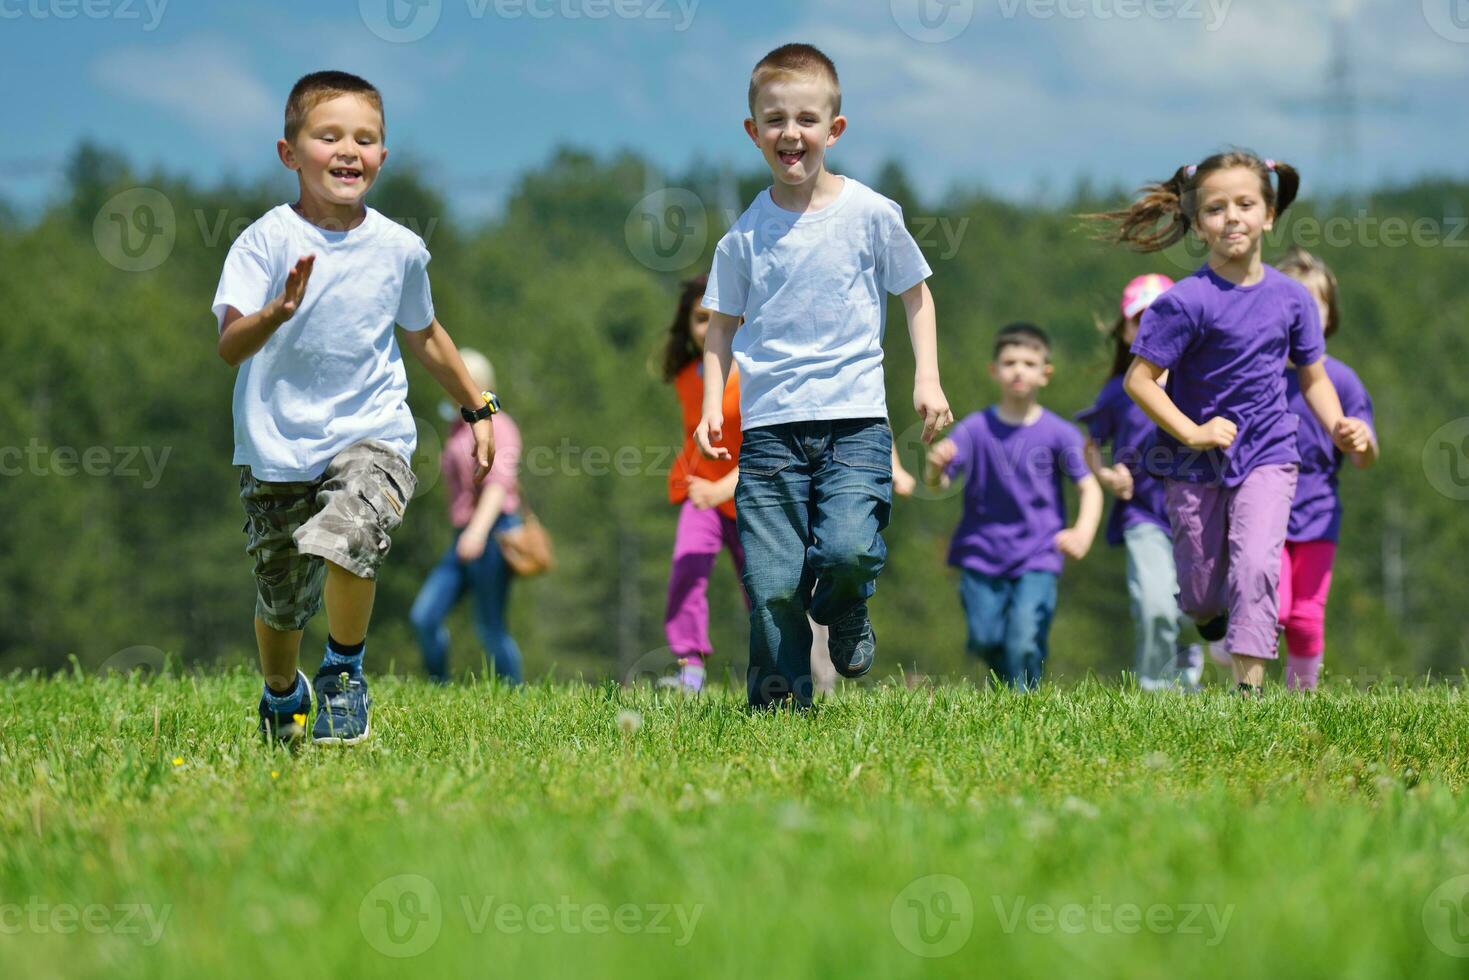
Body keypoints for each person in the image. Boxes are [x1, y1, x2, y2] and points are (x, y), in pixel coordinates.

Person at [214, 71, 498, 744]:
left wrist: (478, 408)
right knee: (282, 602)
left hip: (372, 434)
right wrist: (276, 312)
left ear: (382, 156)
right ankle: (283, 693)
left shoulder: (398, 248)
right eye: (329, 135)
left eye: (365, 139)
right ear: (290, 153)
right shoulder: (264, 242)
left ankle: (343, 672)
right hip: (277, 447)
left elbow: (424, 335)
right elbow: (229, 344)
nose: (349, 150)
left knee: (350, 538)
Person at [695, 43, 952, 708]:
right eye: (774, 119)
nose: (790, 133)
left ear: (833, 129)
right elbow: (719, 325)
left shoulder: (870, 214)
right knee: (773, 585)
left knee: (846, 552)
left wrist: (927, 380)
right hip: (771, 435)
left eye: (806, 119)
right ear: (752, 132)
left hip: (855, 426)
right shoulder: (744, 237)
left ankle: (846, 607)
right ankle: (779, 710)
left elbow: (916, 293)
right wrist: (709, 410)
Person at [1095, 150, 1372, 695]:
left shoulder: (1291, 299)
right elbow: (1139, 381)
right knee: (1200, 590)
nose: (1233, 217)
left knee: (1256, 567)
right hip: (1191, 462)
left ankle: (1249, 692)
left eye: (1245, 204)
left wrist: (1339, 424)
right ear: (1198, 225)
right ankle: (1206, 617)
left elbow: (1314, 378)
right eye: (1217, 208)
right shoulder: (1184, 302)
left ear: (1269, 214)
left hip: (1269, 452)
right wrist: (1193, 432)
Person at [660, 276, 915, 695]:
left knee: (772, 588)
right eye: (698, 319)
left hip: (754, 491)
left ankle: (813, 675)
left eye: (716, 318)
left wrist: (725, 487)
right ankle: (690, 666)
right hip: (701, 496)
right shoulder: (688, 376)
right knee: (686, 569)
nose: (707, 328)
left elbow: (770, 445)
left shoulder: (758, 376)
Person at [925, 323, 1102, 689]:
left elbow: (1090, 488)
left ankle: (1024, 703)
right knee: (985, 639)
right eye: (1009, 362)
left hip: (1038, 554)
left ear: (1045, 373)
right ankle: (1008, 693)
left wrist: (1082, 533)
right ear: (994, 371)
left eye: (1028, 362)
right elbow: (940, 483)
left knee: (1023, 639)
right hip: (980, 554)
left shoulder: (1060, 433)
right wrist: (933, 468)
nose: (1018, 370)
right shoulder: (974, 430)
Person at [1076, 274, 1204, 691]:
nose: (1150, 327)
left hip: (1197, 511)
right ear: (1126, 330)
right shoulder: (1119, 390)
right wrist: (1107, 474)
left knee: (1197, 604)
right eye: (1140, 319)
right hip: (1142, 514)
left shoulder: (1199, 384)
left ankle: (1187, 671)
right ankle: (1156, 689)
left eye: (1159, 317)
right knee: (1154, 605)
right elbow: (1091, 445)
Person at [1274, 248, 1378, 690]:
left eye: (1311, 302)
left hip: (1318, 514)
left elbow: (1365, 456)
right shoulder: (1258, 375)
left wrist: (1360, 439)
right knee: (1271, 610)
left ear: (1328, 315)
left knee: (1304, 617)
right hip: (1263, 509)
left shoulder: (1342, 380)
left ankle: (1301, 700)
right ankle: (1241, 669)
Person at [409, 350, 526, 685]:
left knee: (490, 626)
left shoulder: (499, 426)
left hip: (491, 532)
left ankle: (514, 694)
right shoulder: (458, 427)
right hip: (464, 535)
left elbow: (498, 486)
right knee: (425, 616)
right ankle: (438, 685)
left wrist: (476, 533)